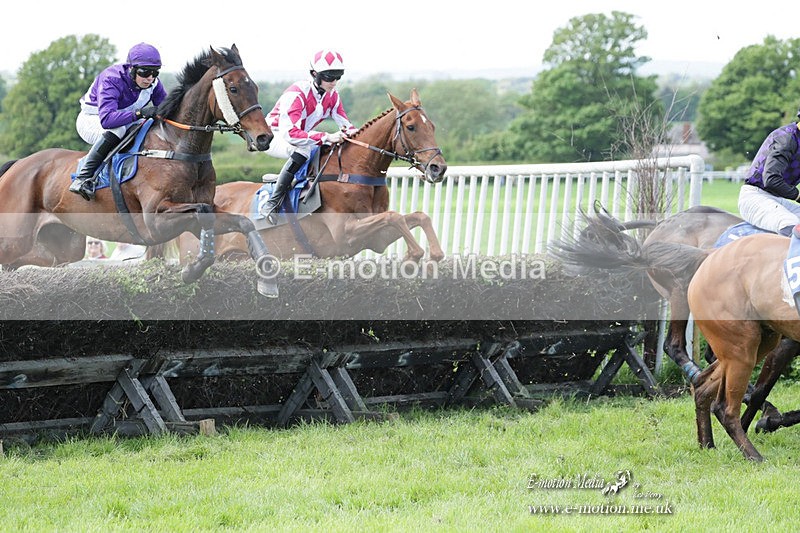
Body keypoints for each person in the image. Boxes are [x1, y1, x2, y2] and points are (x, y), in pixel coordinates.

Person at [259, 49, 359, 223]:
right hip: (274, 136)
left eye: (338, 77)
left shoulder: (332, 96)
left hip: (300, 137)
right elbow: (291, 134)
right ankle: (272, 203)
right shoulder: (296, 94)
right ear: (314, 74)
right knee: (305, 148)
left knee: (326, 148)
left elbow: (346, 126)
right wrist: (327, 136)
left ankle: (300, 183)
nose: (334, 82)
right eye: (329, 77)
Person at [69, 42, 167, 201]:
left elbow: (167, 110)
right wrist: (140, 113)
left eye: (155, 73)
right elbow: (107, 119)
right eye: (144, 72)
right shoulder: (111, 78)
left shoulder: (153, 83)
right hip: (93, 119)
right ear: (132, 69)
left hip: (122, 120)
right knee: (118, 130)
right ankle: (83, 177)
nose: (150, 78)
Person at [738, 109, 800, 236]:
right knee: (791, 223)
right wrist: (798, 196)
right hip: (755, 198)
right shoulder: (787, 138)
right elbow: (771, 180)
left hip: (777, 199)